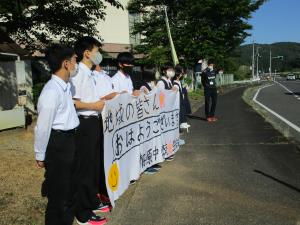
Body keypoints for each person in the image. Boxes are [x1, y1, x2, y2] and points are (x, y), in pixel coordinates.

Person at [34, 44, 79, 225]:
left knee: (68, 190)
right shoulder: (52, 91)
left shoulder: (65, 87)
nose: (77, 64)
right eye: (75, 60)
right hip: (59, 143)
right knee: (58, 196)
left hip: (69, 140)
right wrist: (40, 154)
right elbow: (43, 127)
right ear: (66, 64)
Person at [70, 36, 108, 225]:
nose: (98, 55)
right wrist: (94, 105)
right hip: (84, 123)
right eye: (96, 51)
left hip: (93, 122)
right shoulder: (78, 74)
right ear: (87, 53)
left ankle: (92, 200)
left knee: (93, 165)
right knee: (85, 168)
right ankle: (83, 213)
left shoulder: (90, 73)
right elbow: (73, 102)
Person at [173, 65, 190, 131]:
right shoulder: (174, 83)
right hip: (177, 102)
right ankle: (181, 125)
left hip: (181, 100)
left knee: (182, 109)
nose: (182, 74)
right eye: (181, 73)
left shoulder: (179, 81)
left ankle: (183, 122)